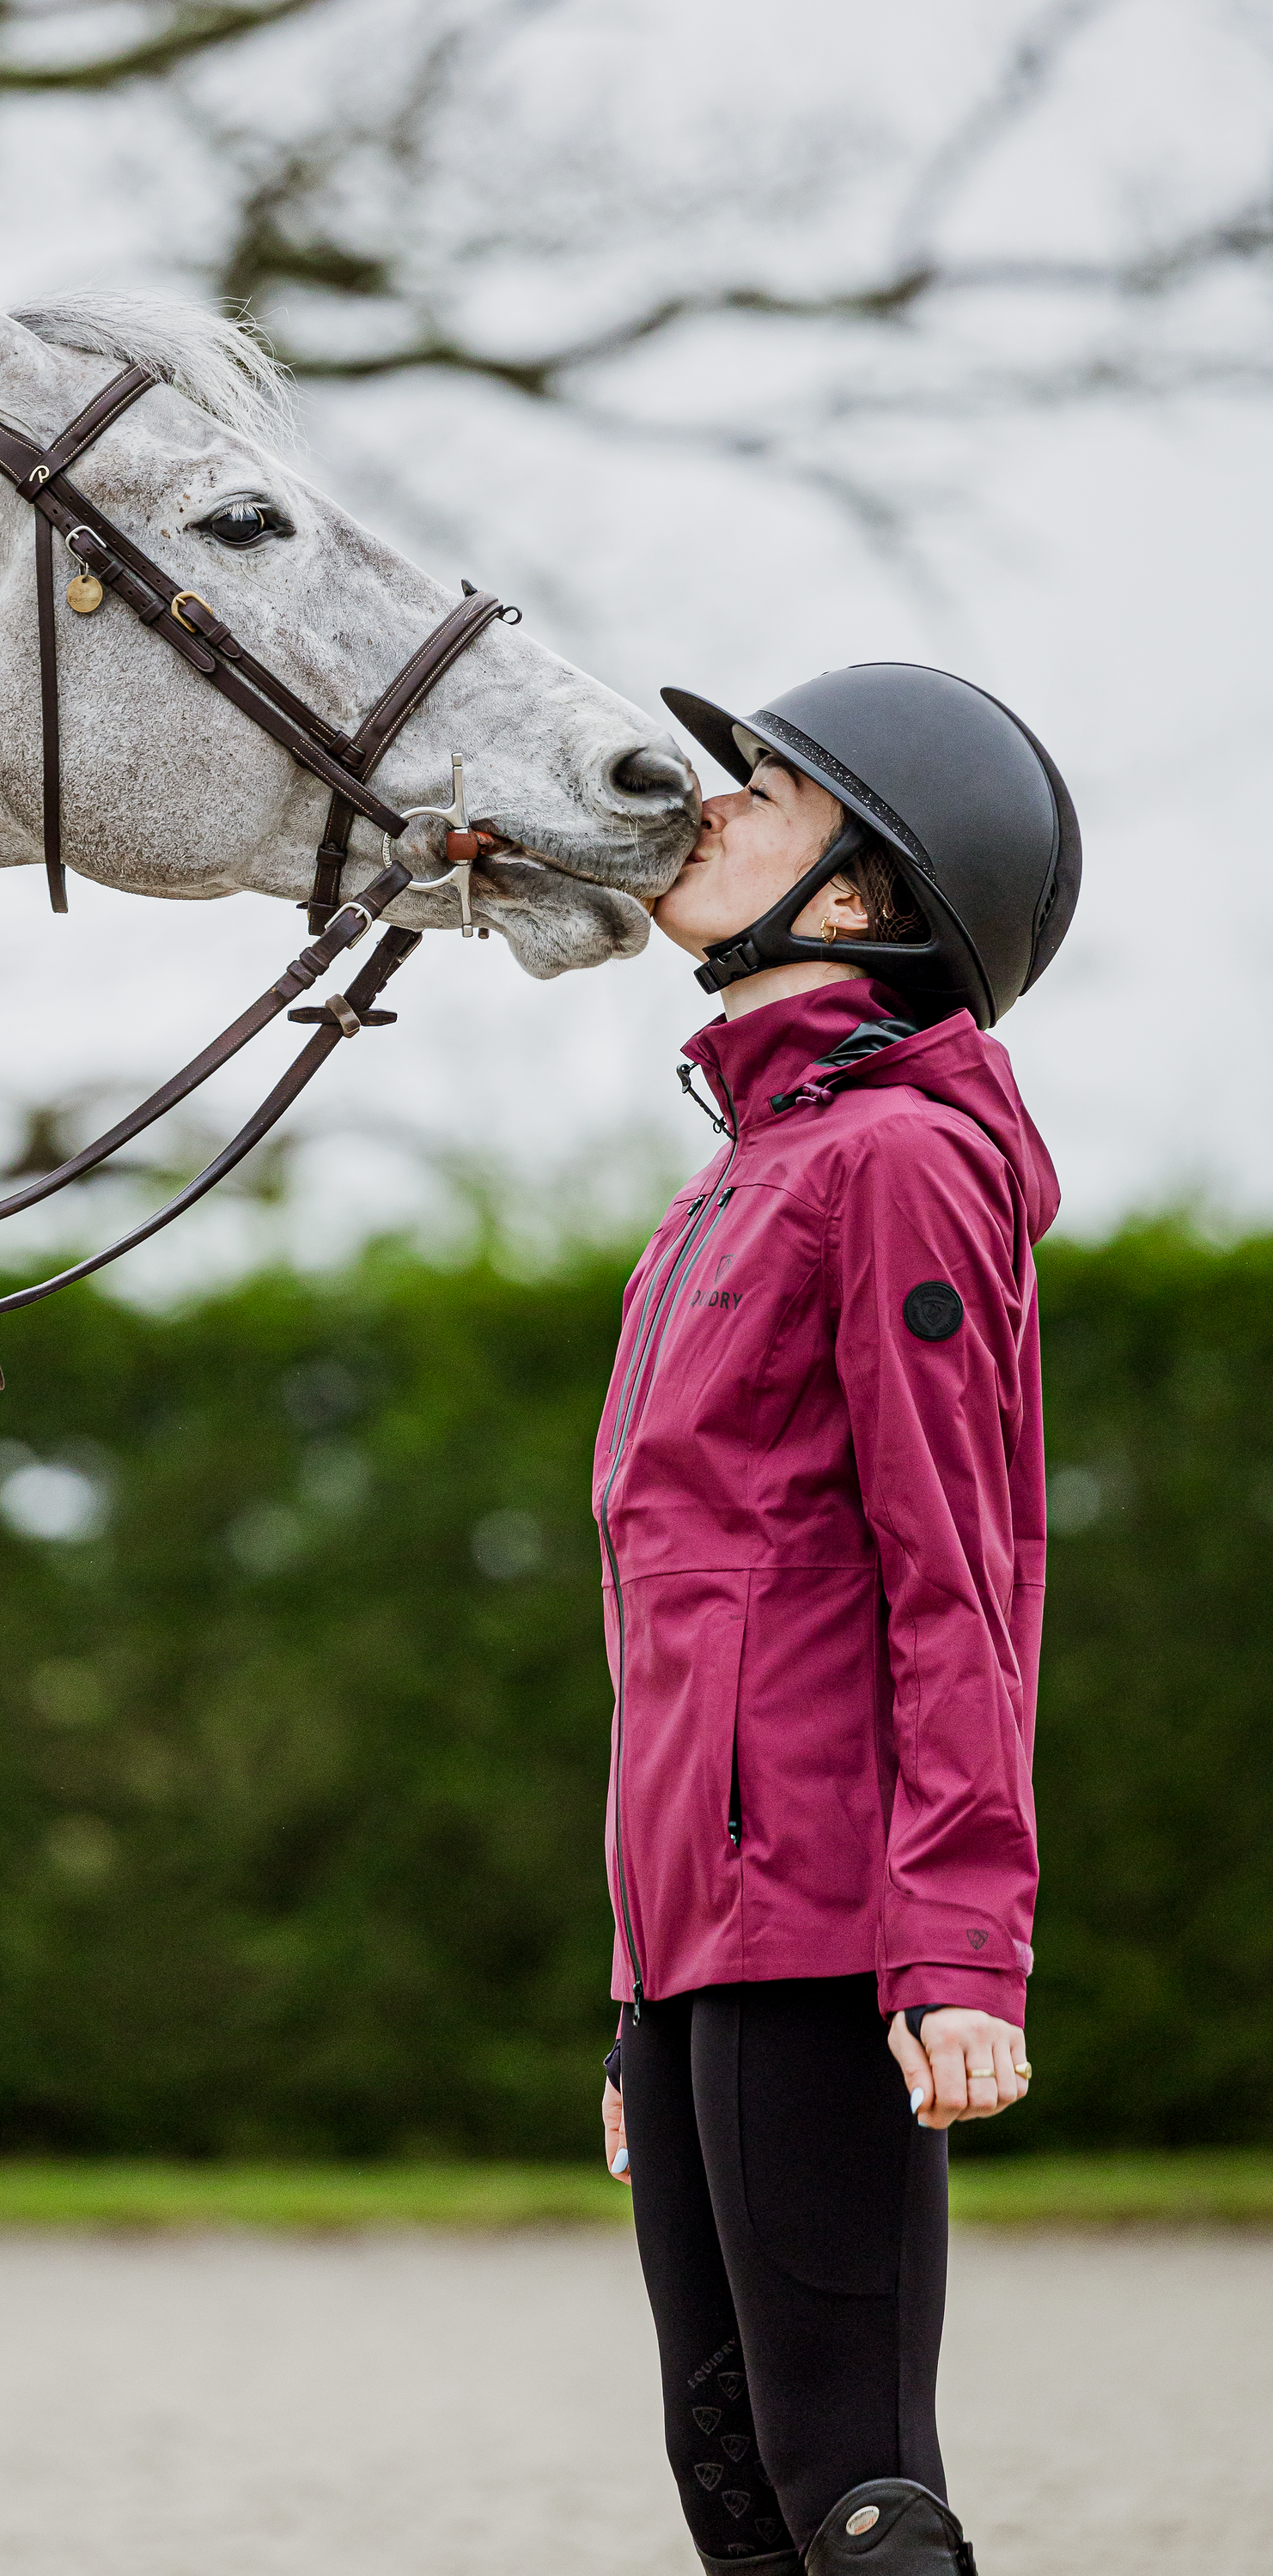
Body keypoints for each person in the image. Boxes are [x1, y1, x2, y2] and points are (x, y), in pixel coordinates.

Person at [594, 664, 1080, 2574]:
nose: (709, 811)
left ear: (864, 897)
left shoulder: (893, 1166)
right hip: (698, 1942)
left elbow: (962, 1568)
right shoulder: (732, 1186)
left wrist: (961, 1940)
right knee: (734, 2487)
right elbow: (683, 1628)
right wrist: (635, 1993)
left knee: (854, 2494)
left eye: (766, 796)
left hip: (831, 1924)